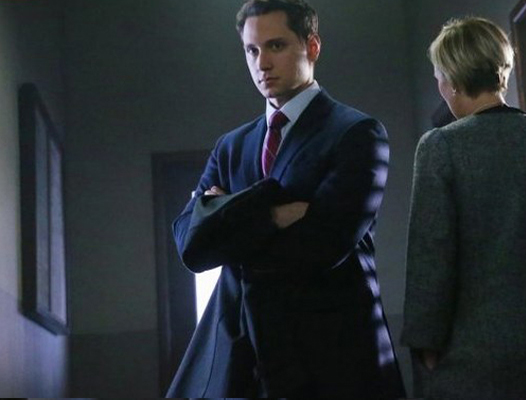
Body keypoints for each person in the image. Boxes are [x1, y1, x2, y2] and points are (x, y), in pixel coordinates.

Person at [166, 0, 405, 397]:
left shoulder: (357, 133)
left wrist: (227, 219)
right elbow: (190, 246)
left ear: (312, 47)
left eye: (275, 46)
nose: (261, 63)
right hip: (244, 360)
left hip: (333, 358)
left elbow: (323, 244)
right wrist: (272, 215)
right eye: (251, 50)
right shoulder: (231, 147)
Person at [401, 17, 526, 400]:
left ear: (452, 79)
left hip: (472, 360)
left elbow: (431, 254)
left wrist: (425, 341)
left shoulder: (440, 147)